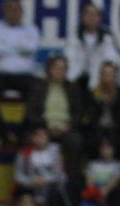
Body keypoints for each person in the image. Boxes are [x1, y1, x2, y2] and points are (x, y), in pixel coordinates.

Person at [0, 0, 41, 141]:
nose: (13, 13)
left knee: (38, 96)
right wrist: (18, 47)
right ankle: (2, 132)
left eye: (16, 9)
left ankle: (21, 134)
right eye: (10, 9)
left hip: (23, 75)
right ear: (5, 11)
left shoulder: (31, 29)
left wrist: (5, 46)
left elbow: (31, 48)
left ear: (22, 12)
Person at [24, 55, 85, 190]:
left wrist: (68, 126)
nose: (60, 71)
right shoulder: (38, 87)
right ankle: (31, 186)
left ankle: (71, 185)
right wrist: (46, 126)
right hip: (43, 127)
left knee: (76, 141)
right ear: (49, 70)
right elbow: (31, 113)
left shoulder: (72, 88)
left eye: (63, 69)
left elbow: (78, 113)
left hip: (65, 128)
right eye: (57, 68)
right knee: (33, 139)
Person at [65, 2, 120, 94]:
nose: (91, 18)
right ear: (82, 17)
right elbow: (69, 58)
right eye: (88, 14)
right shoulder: (74, 36)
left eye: (95, 15)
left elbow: (113, 58)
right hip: (77, 79)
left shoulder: (106, 37)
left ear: (99, 18)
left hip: (99, 81)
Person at [13, 123, 68, 206]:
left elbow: (61, 175)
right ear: (32, 137)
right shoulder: (24, 154)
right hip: (31, 187)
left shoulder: (55, 152)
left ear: (48, 137)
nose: (40, 138)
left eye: (43, 135)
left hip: (51, 188)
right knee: (25, 198)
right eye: (37, 135)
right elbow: (18, 176)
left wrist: (46, 180)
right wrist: (32, 181)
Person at [83, 61, 120, 158]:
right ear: (100, 76)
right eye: (105, 74)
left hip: (116, 131)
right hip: (97, 131)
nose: (107, 78)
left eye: (110, 74)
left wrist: (110, 141)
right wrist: (103, 141)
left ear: (115, 77)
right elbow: (91, 119)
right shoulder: (92, 94)